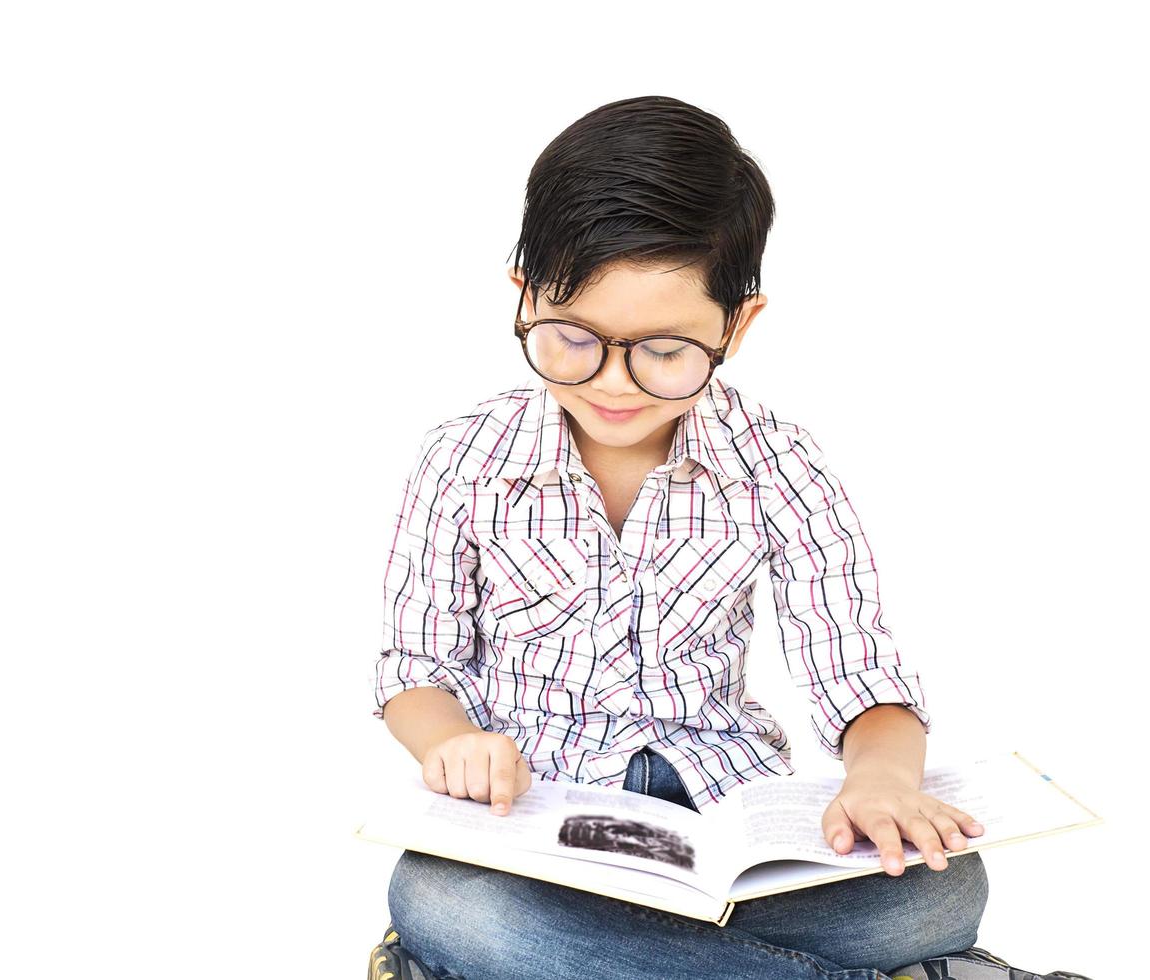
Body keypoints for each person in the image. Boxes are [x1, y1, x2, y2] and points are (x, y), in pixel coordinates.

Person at [369, 96, 1091, 980]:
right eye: (571, 340)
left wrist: (881, 780)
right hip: (536, 834)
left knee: (940, 892)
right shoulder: (462, 459)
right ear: (524, 297)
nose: (613, 384)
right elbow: (416, 669)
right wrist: (451, 741)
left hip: (724, 825)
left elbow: (858, 671)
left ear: (736, 327)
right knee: (447, 903)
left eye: (665, 351)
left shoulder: (775, 461)